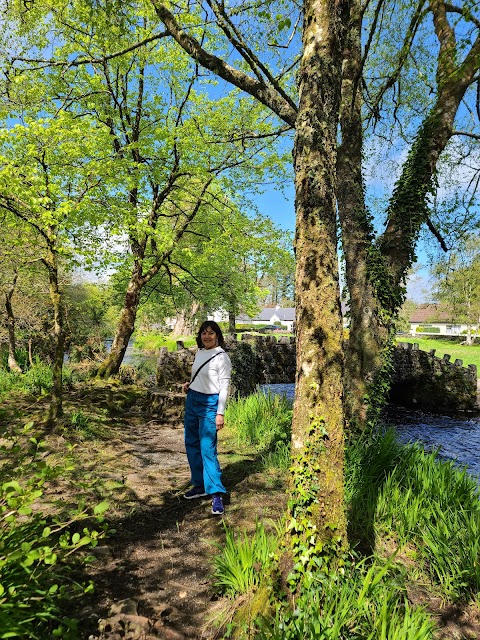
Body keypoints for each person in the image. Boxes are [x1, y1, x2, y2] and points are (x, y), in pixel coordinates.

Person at [182, 320, 231, 515]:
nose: (207, 336)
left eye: (211, 333)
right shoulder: (200, 353)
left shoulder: (222, 357)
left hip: (210, 404)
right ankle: (199, 485)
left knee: (207, 448)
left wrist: (220, 413)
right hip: (192, 400)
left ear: (217, 335)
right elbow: (201, 377)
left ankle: (216, 493)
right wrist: (189, 385)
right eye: (204, 333)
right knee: (191, 444)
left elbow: (224, 387)